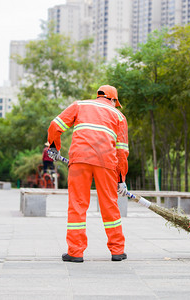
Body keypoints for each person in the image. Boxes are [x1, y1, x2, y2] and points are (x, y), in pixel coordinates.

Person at [47, 85, 129, 263]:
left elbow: (55, 125)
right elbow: (122, 152)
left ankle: (75, 252)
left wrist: (54, 147)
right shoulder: (119, 116)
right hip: (106, 162)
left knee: (77, 204)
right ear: (113, 100)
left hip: (79, 160)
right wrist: (121, 179)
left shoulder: (80, 105)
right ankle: (117, 251)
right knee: (109, 205)